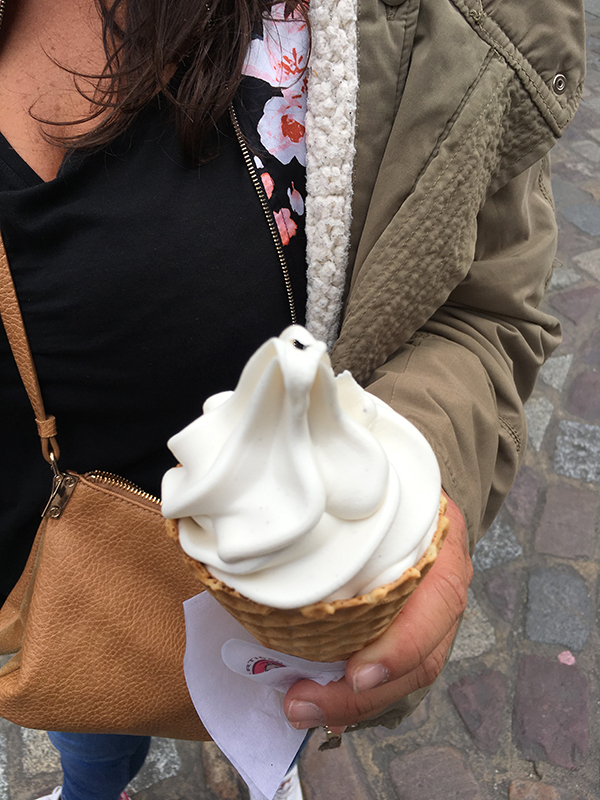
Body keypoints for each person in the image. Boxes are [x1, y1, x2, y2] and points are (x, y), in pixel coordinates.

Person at [0, 0, 585, 798]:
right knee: (87, 710)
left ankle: (263, 757)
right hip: (44, 587)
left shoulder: (439, 21)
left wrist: (410, 484)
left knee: (275, 707)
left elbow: (478, 302)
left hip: (288, 576)